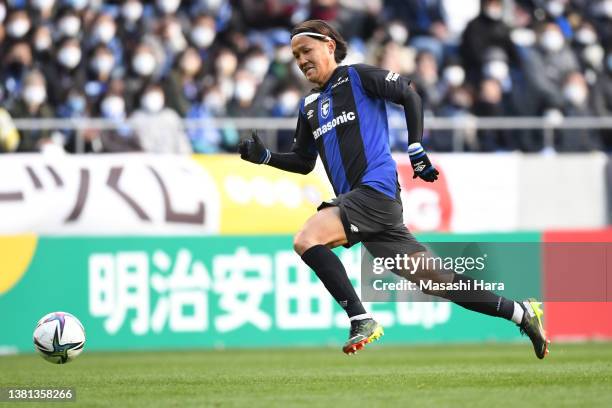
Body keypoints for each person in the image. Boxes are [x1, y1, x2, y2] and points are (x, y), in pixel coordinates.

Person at [239, 19, 549, 357]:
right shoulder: (309, 106)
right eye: (296, 55)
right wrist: (266, 157)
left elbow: (408, 93)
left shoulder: (357, 77)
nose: (301, 60)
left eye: (306, 50)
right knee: (439, 282)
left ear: (329, 45)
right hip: (367, 206)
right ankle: (522, 313)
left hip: (376, 192)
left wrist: (416, 147)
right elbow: (303, 160)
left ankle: (360, 318)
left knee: (307, 239)